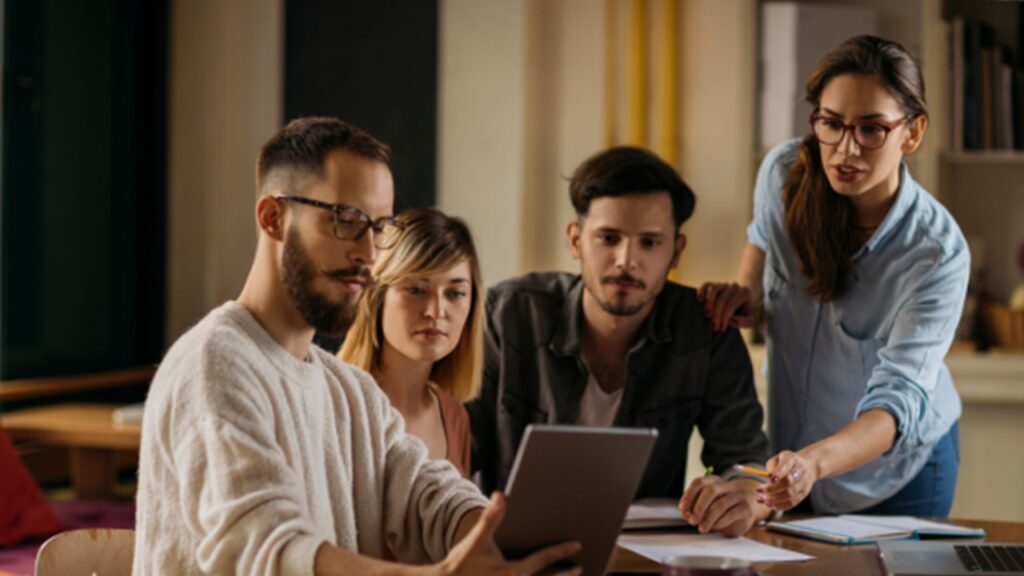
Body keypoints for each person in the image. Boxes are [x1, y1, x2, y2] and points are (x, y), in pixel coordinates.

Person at [133, 117, 580, 576]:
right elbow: (262, 548)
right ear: (273, 218)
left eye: (379, 226)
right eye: (345, 221)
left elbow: (428, 490)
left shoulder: (350, 391)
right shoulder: (215, 364)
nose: (369, 252)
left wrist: (493, 538)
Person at [699, 35, 968, 516]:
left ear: (912, 132)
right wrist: (738, 300)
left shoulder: (937, 252)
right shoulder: (782, 174)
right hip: (794, 464)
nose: (846, 149)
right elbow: (756, 288)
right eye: (831, 123)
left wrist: (813, 464)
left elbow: (896, 403)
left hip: (898, 477)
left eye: (871, 129)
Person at [468, 146, 772, 537]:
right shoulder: (507, 316)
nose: (626, 260)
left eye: (649, 242)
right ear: (575, 240)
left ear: (676, 252)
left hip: (640, 554)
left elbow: (746, 462)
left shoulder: (706, 332)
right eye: (609, 238)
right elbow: (456, 453)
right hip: (510, 552)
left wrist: (743, 497)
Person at [340, 208, 483, 479]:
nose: (436, 311)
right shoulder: (338, 403)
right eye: (416, 290)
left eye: (455, 293)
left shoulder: (454, 415)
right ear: (377, 297)